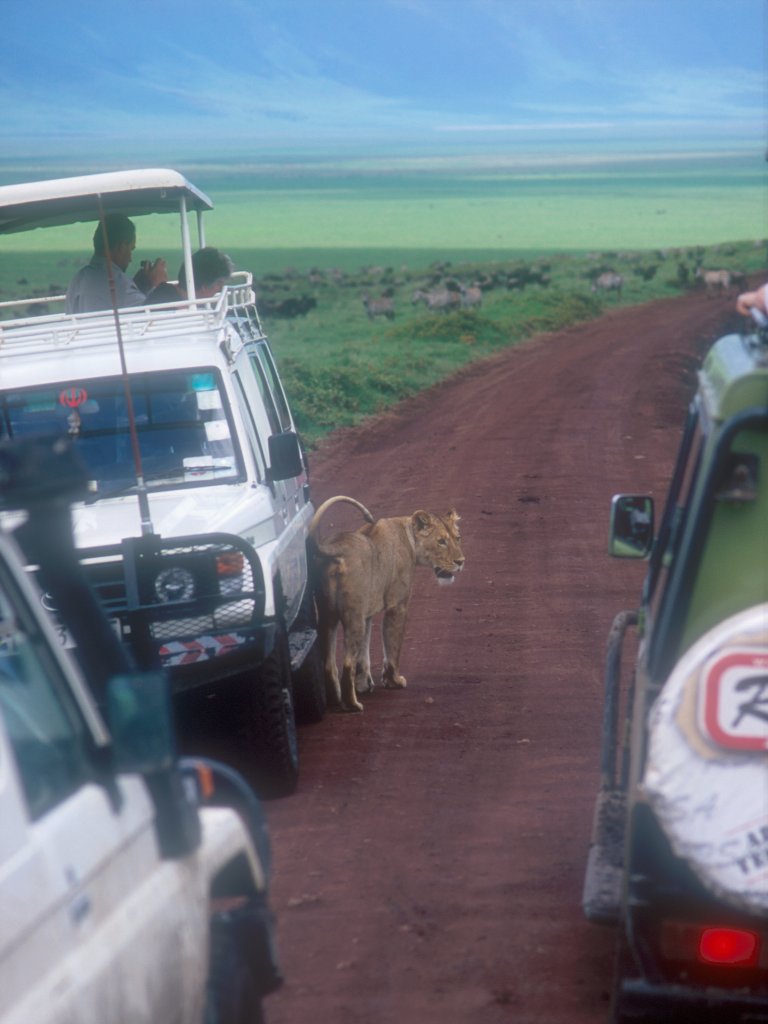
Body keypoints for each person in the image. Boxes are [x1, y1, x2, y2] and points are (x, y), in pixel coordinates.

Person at [65, 213, 167, 314]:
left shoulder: (77, 279)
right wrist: (159, 285)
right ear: (122, 247)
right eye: (130, 249)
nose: (130, 259)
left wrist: (139, 286)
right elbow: (150, 313)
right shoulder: (118, 284)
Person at [146, 247, 234, 303]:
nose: (220, 289)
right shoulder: (168, 304)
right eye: (219, 283)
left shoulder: (168, 293)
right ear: (204, 286)